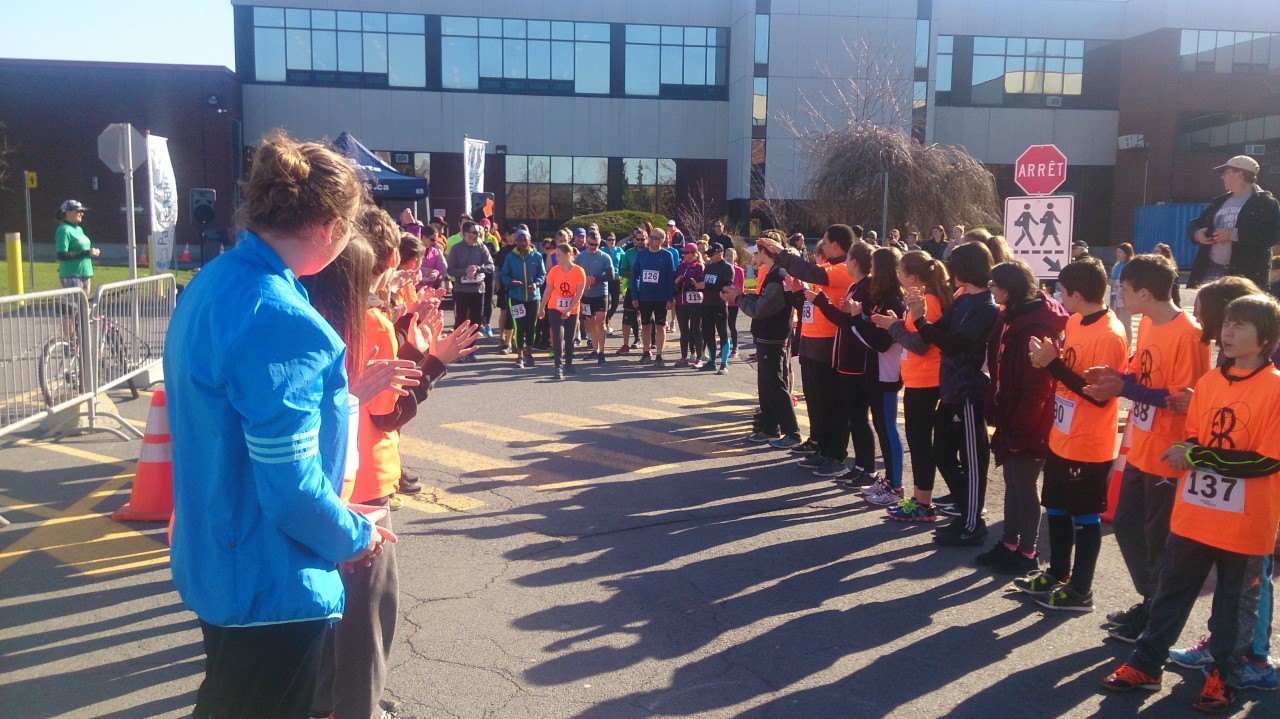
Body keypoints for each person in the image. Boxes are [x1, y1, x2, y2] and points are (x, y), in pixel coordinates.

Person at [164, 132, 406, 719]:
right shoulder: (281, 319)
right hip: (270, 583)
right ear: (328, 227)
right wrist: (355, 535)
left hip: (220, 558)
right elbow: (293, 491)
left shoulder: (215, 285)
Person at [311, 204, 476, 719]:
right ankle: (359, 709)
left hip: (322, 479)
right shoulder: (370, 322)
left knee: (323, 614)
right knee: (366, 619)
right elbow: (387, 414)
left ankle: (325, 704)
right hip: (364, 482)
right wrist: (433, 364)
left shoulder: (308, 314)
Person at [1101, 294, 1280, 713]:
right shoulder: (1211, 383)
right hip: (1194, 515)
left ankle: (1224, 675)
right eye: (1227, 323)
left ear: (1266, 338)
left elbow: (1266, 460)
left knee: (1234, 606)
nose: (1227, 333)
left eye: (1240, 326)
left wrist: (1195, 454)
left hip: (1245, 522)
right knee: (1170, 593)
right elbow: (1196, 437)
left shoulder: (1275, 389)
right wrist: (1188, 447)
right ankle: (1146, 664)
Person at [1081, 253, 1212, 642]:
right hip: (1142, 445)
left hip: (1169, 452)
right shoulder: (1150, 324)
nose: (1118, 295)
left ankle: (1157, 615)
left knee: (1158, 539)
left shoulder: (1187, 332)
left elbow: (1179, 398)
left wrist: (1124, 387)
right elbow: (1141, 372)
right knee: (1125, 524)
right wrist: (1117, 377)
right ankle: (1150, 600)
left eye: (1122, 288)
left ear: (1143, 291)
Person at [1014, 258, 1129, 609]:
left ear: (1077, 294)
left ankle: (1081, 589)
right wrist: (1049, 362)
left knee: (1084, 515)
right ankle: (1058, 573)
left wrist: (1055, 365)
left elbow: (1096, 397)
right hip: (1062, 435)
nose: (1058, 297)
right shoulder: (1076, 320)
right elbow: (1069, 370)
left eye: (1062, 291)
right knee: (1057, 508)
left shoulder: (1110, 334)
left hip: (1088, 441)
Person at [890, 242, 999, 545]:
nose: (950, 271)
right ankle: (966, 515)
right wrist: (918, 315)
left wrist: (921, 320)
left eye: (955, 265)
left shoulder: (986, 306)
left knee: (972, 461)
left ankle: (973, 522)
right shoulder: (964, 301)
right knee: (942, 454)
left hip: (967, 391)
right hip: (950, 388)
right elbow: (938, 333)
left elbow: (953, 343)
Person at [977, 260, 1068, 575]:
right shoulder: (1012, 316)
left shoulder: (1036, 326)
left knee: (1024, 484)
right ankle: (1009, 543)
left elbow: (1038, 390)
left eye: (994, 285)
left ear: (1009, 289)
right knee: (1012, 482)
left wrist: (1017, 429)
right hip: (1012, 413)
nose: (990, 290)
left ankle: (1027, 552)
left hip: (1029, 421)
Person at [756, 226, 859, 478]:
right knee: (816, 401)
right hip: (812, 342)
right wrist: (796, 294)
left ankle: (836, 454)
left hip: (827, 342)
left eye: (824, 241)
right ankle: (822, 448)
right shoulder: (826, 269)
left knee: (832, 403)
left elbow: (808, 272)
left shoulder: (841, 269)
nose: (820, 246)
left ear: (835, 245)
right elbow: (808, 303)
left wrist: (780, 252)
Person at [818, 245, 907, 504]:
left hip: (886, 374)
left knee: (887, 429)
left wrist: (858, 317)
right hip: (875, 371)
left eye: (876, 267)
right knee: (880, 427)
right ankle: (888, 480)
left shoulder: (893, 300)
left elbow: (881, 342)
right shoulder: (883, 296)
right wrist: (861, 316)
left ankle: (895, 485)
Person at [873, 251, 950, 522]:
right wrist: (897, 323)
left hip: (926, 380)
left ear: (912, 277)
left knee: (919, 443)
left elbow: (919, 344)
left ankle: (922, 502)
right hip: (919, 379)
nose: (898, 278)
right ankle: (920, 499)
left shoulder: (928, 300)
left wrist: (893, 326)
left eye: (901, 273)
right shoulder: (923, 297)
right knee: (918, 441)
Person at [725, 236, 802, 446]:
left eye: (757, 252)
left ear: (767, 252)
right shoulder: (771, 274)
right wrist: (740, 295)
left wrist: (738, 298)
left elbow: (761, 308)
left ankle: (792, 433)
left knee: (776, 385)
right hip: (767, 337)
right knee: (767, 385)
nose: (754, 256)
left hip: (774, 337)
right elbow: (759, 302)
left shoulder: (778, 275)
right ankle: (769, 429)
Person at [1187, 155, 1280, 290]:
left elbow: (1272, 235)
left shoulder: (1265, 202)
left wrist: (1233, 234)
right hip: (1212, 269)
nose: (1222, 177)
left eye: (1226, 172)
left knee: (1241, 311)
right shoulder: (1219, 202)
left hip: (1245, 275)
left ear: (1240, 174)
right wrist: (1197, 234)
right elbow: (1196, 223)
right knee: (1208, 311)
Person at [446, 221, 494, 361]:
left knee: (476, 320)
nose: (478, 235)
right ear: (465, 234)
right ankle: (458, 350)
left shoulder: (482, 247)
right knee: (460, 320)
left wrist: (478, 269)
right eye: (474, 232)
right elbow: (450, 270)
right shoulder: (456, 248)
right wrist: (464, 272)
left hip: (478, 289)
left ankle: (470, 350)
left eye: (479, 232)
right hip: (461, 289)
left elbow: (491, 265)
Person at [500, 230, 546, 369]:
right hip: (516, 297)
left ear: (529, 240)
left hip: (533, 298)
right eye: (519, 240)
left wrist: (536, 284)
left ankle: (529, 353)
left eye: (525, 240)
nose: (522, 243)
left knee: (531, 326)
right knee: (519, 326)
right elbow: (504, 275)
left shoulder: (537, 256)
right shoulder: (510, 257)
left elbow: (542, 274)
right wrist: (511, 281)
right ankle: (519, 355)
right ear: (516, 242)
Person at [541, 243, 587, 379]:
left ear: (568, 255)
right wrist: (542, 307)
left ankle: (569, 364)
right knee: (558, 335)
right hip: (555, 307)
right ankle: (558, 366)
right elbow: (548, 290)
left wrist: (569, 309)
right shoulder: (554, 271)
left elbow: (579, 294)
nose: (557, 258)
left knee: (570, 337)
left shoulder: (579, 271)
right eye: (556, 255)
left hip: (572, 308)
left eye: (559, 255)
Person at [632, 227, 677, 366]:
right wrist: (634, 295)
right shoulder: (642, 254)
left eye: (654, 238)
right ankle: (646, 352)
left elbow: (671, 278)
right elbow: (635, 275)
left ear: (662, 241)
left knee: (660, 326)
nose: (650, 240)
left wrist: (670, 298)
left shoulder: (667, 255)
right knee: (645, 325)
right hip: (645, 296)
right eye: (650, 237)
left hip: (661, 297)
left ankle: (659, 355)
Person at [577, 229, 616, 365]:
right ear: (587, 242)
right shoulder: (580, 257)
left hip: (601, 293)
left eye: (596, 245)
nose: (593, 247)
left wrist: (595, 279)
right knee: (590, 323)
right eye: (591, 244)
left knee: (601, 322)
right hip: (586, 295)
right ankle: (595, 349)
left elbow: (611, 275)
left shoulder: (604, 257)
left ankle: (602, 352)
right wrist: (584, 281)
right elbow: (575, 274)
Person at [698, 240, 736, 374]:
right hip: (707, 304)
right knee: (708, 333)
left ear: (720, 253)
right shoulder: (709, 266)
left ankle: (724, 363)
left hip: (719, 305)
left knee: (723, 333)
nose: (709, 257)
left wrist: (706, 286)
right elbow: (706, 282)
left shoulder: (727, 268)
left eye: (711, 254)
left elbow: (726, 288)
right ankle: (711, 361)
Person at [54, 199, 99, 293]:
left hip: (85, 273)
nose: (82, 214)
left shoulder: (79, 229)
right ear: (67, 213)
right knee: (75, 306)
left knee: (83, 306)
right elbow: (62, 255)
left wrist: (92, 252)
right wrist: (87, 252)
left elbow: (83, 248)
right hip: (72, 275)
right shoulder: (64, 230)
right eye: (78, 211)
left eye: (82, 211)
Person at [673, 244, 706, 368]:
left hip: (694, 302)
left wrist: (690, 282)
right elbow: (674, 282)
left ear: (693, 254)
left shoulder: (699, 267)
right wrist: (677, 281)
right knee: (684, 331)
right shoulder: (680, 267)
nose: (684, 255)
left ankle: (699, 358)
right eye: (684, 252)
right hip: (681, 302)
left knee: (696, 329)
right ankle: (683, 356)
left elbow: (699, 283)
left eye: (686, 252)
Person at [1112, 242, 1135, 348]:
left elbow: (1129, 281)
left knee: (1125, 322)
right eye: (1117, 251)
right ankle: (1119, 344)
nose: (1118, 254)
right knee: (1116, 321)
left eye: (1120, 252)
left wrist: (1115, 282)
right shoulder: (1117, 265)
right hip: (1114, 295)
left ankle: (1128, 346)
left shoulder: (1129, 265)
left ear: (1126, 254)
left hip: (1124, 296)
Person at [725, 246, 746, 358]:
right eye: (727, 255)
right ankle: (724, 348)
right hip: (723, 302)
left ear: (735, 257)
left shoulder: (739, 270)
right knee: (722, 326)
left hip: (733, 302)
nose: (728, 257)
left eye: (731, 255)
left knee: (731, 325)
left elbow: (740, 288)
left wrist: (732, 291)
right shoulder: (722, 268)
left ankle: (735, 347)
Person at [603, 232, 624, 333]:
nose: (611, 241)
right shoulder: (602, 250)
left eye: (613, 240)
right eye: (609, 240)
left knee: (615, 303)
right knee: (605, 304)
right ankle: (606, 323)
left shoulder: (619, 250)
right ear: (606, 241)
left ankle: (607, 319)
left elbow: (624, 261)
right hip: (606, 280)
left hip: (616, 279)